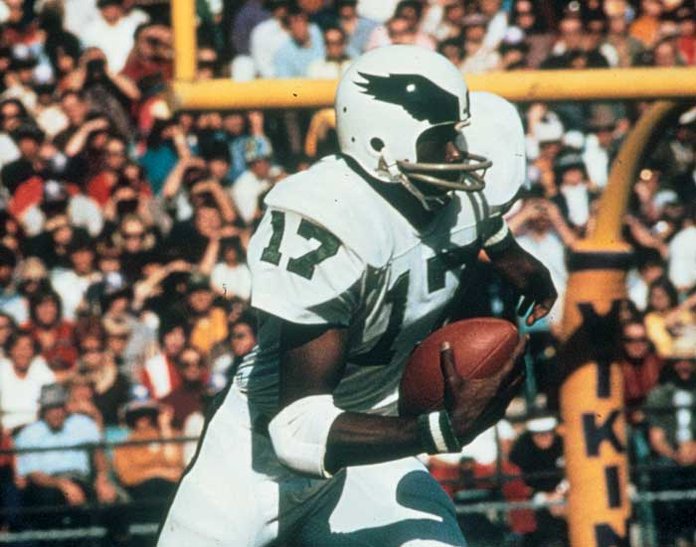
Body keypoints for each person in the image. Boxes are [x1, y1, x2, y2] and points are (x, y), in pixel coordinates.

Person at [158, 45, 556, 546]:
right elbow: (296, 430)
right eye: (442, 140)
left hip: (372, 444)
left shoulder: (456, 193)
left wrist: (512, 258)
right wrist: (439, 432)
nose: (458, 153)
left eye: (457, 134)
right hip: (260, 456)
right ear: (384, 144)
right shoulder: (329, 219)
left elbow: (482, 218)